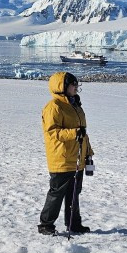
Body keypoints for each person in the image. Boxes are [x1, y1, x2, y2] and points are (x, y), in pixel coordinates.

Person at [38, 72, 94, 235]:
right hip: (61, 158)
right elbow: (52, 132)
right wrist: (73, 133)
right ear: (62, 87)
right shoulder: (54, 106)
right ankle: (45, 225)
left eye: (77, 84)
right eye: (73, 84)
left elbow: (83, 133)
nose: (76, 87)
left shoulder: (75, 105)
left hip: (77, 158)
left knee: (74, 193)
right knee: (56, 193)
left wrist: (88, 152)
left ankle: (74, 223)